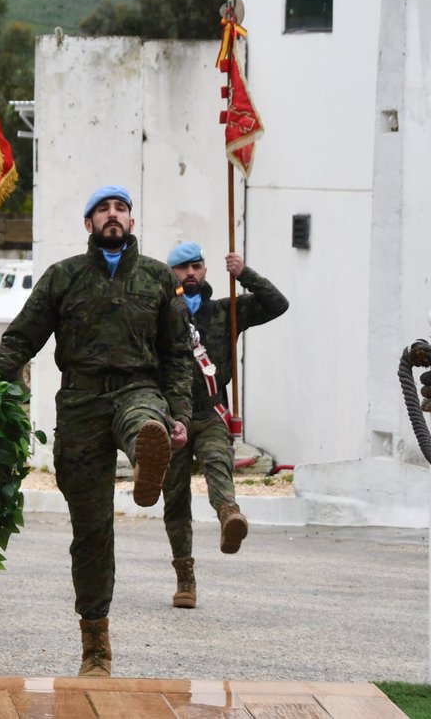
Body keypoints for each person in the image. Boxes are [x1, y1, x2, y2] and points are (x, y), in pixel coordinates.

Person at [0, 186, 193, 678]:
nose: (112, 216)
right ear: (89, 224)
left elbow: (177, 354)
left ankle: (150, 452)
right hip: (79, 402)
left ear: (131, 219)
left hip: (138, 387)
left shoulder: (159, 278)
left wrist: (179, 412)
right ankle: (95, 644)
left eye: (120, 209)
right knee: (92, 530)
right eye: (103, 210)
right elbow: (22, 337)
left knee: (145, 419)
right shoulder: (64, 276)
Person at [161, 242, 289, 610]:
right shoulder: (161, 315)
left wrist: (244, 273)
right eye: (183, 269)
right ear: (172, 276)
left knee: (219, 463)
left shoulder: (225, 311)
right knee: (176, 499)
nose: (191, 274)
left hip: (211, 412)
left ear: (205, 270)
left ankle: (229, 515)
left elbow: (277, 304)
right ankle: (185, 578)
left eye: (197, 267)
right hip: (173, 418)